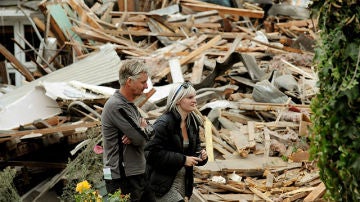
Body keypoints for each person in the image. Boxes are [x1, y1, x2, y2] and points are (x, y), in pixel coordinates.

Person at [101, 59, 155, 202]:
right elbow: (140, 138)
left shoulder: (128, 105)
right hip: (123, 177)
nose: (146, 86)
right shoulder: (117, 106)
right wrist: (141, 131)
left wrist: (143, 129)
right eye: (143, 82)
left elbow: (149, 130)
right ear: (129, 81)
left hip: (135, 173)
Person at [145, 82, 208, 202]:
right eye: (190, 97)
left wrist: (201, 157)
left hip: (183, 183)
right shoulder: (163, 123)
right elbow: (150, 153)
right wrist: (183, 160)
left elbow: (195, 151)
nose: (195, 100)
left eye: (194, 97)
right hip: (163, 185)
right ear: (178, 100)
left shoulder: (192, 122)